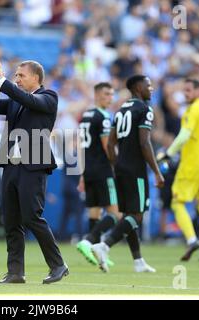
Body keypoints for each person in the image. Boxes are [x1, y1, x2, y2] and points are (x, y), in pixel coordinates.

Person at [0, 58, 68, 284]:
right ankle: (15, 272)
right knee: (11, 220)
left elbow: (28, 100)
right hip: (12, 164)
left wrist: (2, 81)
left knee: (31, 216)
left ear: (36, 78)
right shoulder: (16, 98)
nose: (17, 79)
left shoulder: (49, 97)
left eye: (21, 75)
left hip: (34, 164)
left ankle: (58, 265)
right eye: (16, 76)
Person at [91, 74, 164, 273]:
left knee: (129, 214)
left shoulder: (121, 109)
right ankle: (104, 245)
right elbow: (144, 142)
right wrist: (156, 172)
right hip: (135, 169)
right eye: (148, 85)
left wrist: (117, 164)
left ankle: (138, 261)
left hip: (121, 167)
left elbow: (112, 142)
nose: (151, 88)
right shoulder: (144, 109)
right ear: (138, 87)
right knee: (137, 216)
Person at [157, 78, 199, 261]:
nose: (186, 94)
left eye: (189, 90)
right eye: (184, 91)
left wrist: (168, 153)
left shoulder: (193, 110)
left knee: (177, 202)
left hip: (192, 164)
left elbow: (184, 135)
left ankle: (192, 240)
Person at [76, 82, 123, 266]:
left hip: (88, 170)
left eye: (112, 94)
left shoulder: (86, 115)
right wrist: (118, 166)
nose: (110, 98)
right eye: (106, 94)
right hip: (103, 170)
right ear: (96, 95)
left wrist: (81, 173)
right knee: (115, 214)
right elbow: (107, 146)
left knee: (94, 212)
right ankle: (88, 241)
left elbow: (82, 146)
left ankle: (98, 256)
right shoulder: (103, 117)